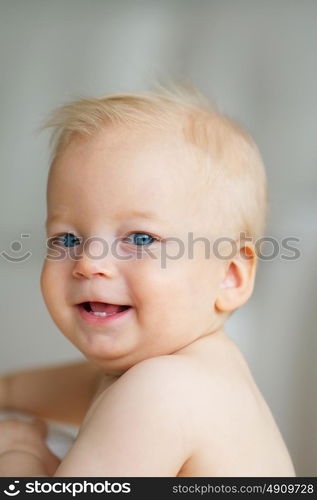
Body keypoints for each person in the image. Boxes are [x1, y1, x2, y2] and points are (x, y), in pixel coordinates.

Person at [0, 85, 296, 477]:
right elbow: (25, 388)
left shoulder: (163, 391)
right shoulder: (163, 374)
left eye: (140, 239)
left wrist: (20, 455)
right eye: (67, 239)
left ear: (229, 276)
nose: (89, 263)